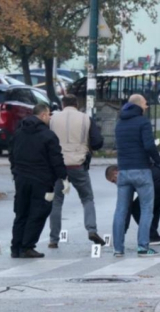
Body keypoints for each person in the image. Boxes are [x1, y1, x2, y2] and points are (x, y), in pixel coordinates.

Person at [9, 104, 69, 259]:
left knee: (21, 212)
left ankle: (15, 247)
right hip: (41, 181)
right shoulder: (48, 135)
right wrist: (63, 177)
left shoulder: (18, 133)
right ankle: (27, 246)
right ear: (43, 115)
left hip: (21, 179)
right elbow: (56, 159)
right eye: (49, 115)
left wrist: (15, 172)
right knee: (38, 213)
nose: (50, 118)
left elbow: (12, 155)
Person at [113, 94, 160, 257]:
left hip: (123, 171)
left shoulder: (119, 123)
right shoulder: (143, 122)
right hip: (141, 171)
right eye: (145, 104)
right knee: (146, 209)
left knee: (121, 210)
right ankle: (143, 247)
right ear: (138, 105)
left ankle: (118, 248)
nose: (147, 107)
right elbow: (149, 146)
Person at [48, 95, 105, 249]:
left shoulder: (53, 119)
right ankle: (91, 229)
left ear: (62, 104)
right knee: (87, 199)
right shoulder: (85, 119)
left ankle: (53, 239)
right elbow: (97, 141)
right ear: (77, 104)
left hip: (57, 166)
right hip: (78, 164)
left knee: (56, 202)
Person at [105, 164, 160, 245]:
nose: (116, 184)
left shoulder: (127, 176)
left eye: (113, 181)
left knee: (137, 208)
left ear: (116, 172)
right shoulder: (133, 166)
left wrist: (120, 233)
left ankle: (153, 236)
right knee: (153, 205)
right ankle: (153, 236)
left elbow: (127, 205)